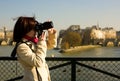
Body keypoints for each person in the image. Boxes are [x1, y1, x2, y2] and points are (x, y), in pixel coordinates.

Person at [12, 16, 57, 81]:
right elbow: (38, 62)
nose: (36, 29)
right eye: (33, 28)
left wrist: (51, 34)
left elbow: (51, 45)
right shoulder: (22, 47)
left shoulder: (34, 41)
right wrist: (41, 41)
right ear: (26, 30)